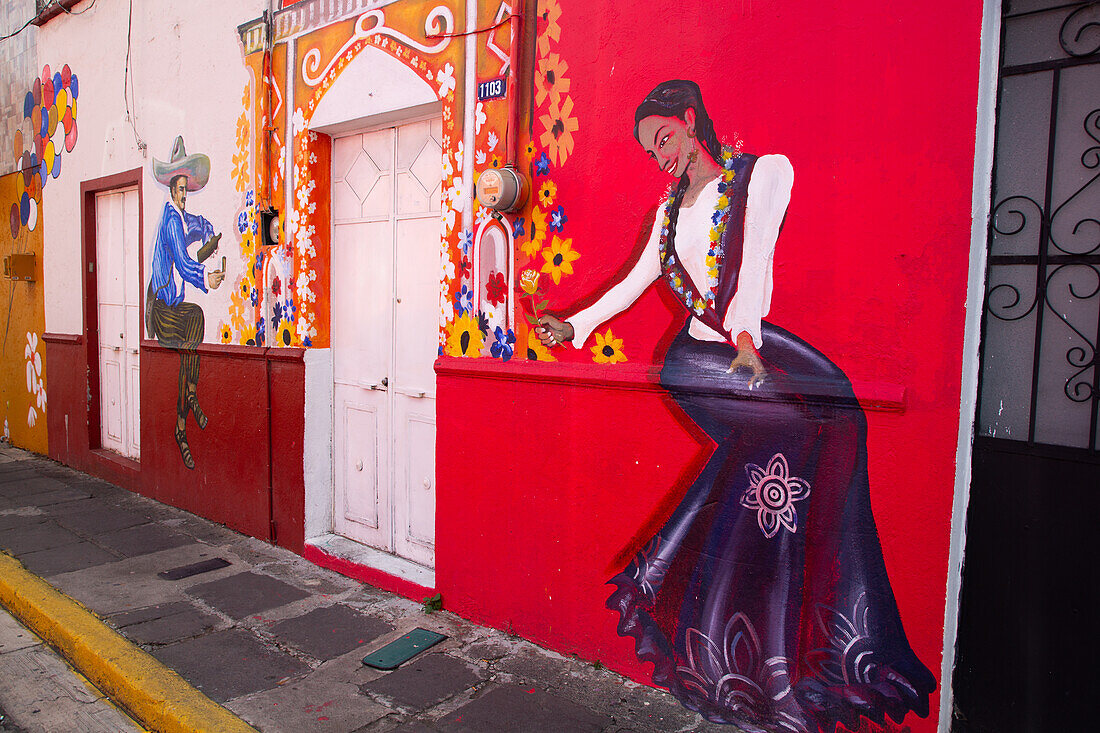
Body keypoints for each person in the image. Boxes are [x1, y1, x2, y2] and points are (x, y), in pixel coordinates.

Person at [537, 80, 935, 732]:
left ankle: (838, 639)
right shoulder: (667, 214)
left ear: (691, 120)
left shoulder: (764, 175)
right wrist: (572, 324)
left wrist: (747, 337)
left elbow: (754, 263)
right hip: (698, 360)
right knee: (786, 441)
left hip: (752, 346)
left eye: (663, 137)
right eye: (648, 150)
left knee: (842, 422)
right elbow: (635, 281)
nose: (659, 155)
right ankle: (749, 644)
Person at [147, 136, 224, 469]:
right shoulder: (168, 222)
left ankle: (187, 406)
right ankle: (185, 414)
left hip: (176, 308)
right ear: (171, 190)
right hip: (161, 310)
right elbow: (180, 260)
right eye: (178, 189)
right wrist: (206, 277)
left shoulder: (182, 217)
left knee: (196, 323)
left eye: (185, 189)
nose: (182, 194)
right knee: (191, 330)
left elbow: (200, 225)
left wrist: (210, 238)